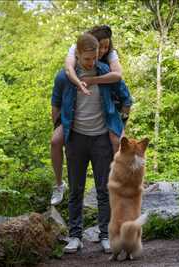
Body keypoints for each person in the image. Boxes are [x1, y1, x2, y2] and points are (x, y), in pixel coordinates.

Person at [51, 33, 131, 254]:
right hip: (75, 139)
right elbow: (55, 104)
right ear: (77, 54)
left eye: (94, 57)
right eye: (86, 59)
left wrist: (120, 123)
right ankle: (75, 236)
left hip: (101, 140)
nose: (91, 62)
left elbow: (126, 98)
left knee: (103, 190)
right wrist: (60, 131)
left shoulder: (106, 73)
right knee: (76, 189)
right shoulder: (64, 77)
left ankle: (105, 235)